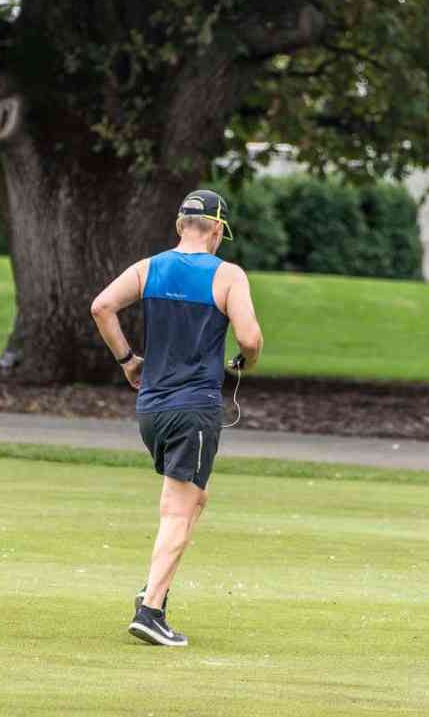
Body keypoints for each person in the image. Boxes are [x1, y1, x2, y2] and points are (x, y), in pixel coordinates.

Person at [90, 189, 264, 647]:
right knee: (178, 505)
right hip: (194, 408)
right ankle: (150, 610)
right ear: (218, 230)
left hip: (151, 407)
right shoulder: (228, 275)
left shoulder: (148, 268)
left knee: (195, 498)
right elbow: (250, 336)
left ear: (180, 224)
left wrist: (128, 359)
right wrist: (246, 361)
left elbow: (101, 307)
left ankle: (154, 588)